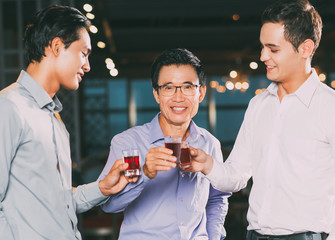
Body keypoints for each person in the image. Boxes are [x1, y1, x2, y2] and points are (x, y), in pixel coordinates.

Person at [189, 0, 335, 239]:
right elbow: (237, 175)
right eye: (262, 47)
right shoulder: (258, 106)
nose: (262, 56)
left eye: (273, 49)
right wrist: (207, 165)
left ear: (305, 48)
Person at [0, 5, 135, 240]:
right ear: (56, 46)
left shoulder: (55, 119)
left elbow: (58, 201)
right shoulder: (9, 107)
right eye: (83, 53)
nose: (87, 66)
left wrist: (102, 187)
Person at [98, 48, 231, 240]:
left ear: (201, 92)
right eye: (168, 88)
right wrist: (144, 173)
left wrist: (213, 236)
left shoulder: (209, 143)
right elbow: (110, 206)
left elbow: (217, 199)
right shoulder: (128, 143)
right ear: (156, 94)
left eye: (187, 87)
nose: (178, 97)